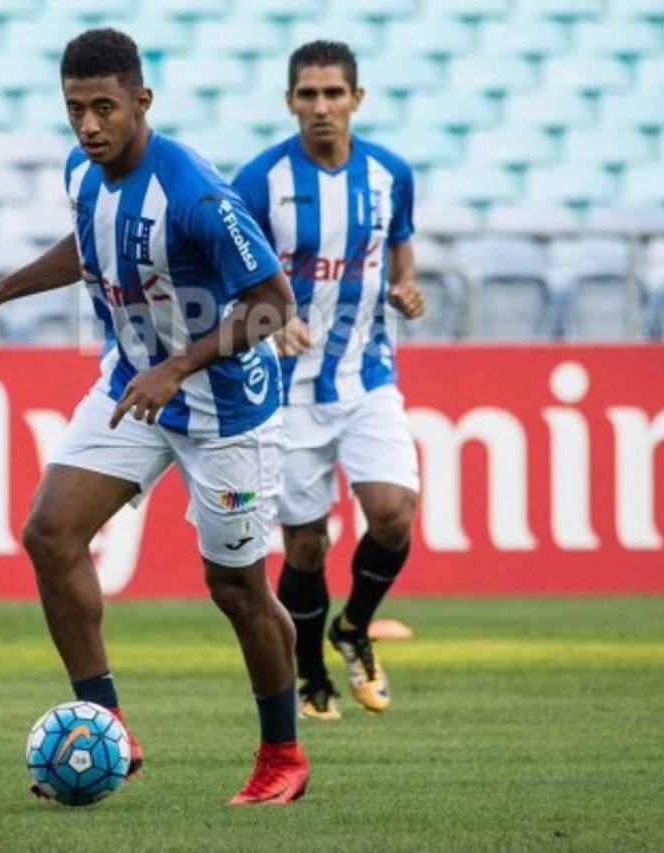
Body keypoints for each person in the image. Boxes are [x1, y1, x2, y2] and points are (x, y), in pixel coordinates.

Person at [0, 28, 309, 805]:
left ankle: (282, 754)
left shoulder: (198, 195)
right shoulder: (82, 169)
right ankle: (106, 724)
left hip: (226, 409)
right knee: (49, 531)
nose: (89, 126)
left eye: (104, 107)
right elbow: (88, 246)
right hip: (134, 387)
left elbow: (276, 307)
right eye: (75, 109)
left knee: (236, 587)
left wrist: (177, 364)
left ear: (142, 101)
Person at [232, 40, 425, 721]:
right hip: (284, 392)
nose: (320, 107)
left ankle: (355, 627)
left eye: (333, 94)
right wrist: (267, 318)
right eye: (307, 95)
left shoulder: (389, 173)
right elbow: (231, 275)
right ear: (289, 101)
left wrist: (406, 285)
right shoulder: (258, 182)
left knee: (394, 514)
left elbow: (398, 240)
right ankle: (312, 671)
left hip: (366, 377)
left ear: (356, 99)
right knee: (306, 543)